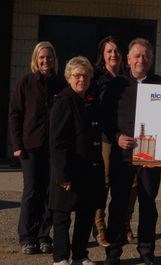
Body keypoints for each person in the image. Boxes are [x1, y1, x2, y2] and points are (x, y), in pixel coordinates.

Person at [102, 38, 161, 265]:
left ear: (151, 60)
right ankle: (113, 252)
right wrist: (116, 137)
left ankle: (147, 251)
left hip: (150, 155)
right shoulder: (116, 84)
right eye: (137, 55)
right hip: (122, 156)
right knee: (118, 204)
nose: (141, 59)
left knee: (148, 204)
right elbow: (106, 119)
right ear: (128, 59)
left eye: (146, 56)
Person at [8, 41, 66, 255]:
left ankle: (44, 235)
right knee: (32, 191)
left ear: (54, 60)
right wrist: (16, 145)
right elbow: (15, 114)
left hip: (53, 149)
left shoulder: (61, 84)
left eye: (49, 57)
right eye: (42, 57)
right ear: (35, 59)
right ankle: (27, 237)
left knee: (50, 191)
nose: (45, 61)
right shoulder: (25, 82)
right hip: (30, 147)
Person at [49, 56, 105, 265]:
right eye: (77, 75)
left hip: (89, 169)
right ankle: (61, 258)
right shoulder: (63, 101)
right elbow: (57, 142)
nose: (81, 79)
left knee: (86, 212)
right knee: (62, 215)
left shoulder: (91, 100)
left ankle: (80, 255)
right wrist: (62, 174)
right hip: (69, 170)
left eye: (85, 75)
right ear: (68, 77)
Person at [89, 35, 127, 248]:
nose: (114, 54)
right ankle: (99, 228)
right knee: (102, 183)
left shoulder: (127, 78)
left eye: (117, 51)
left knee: (128, 184)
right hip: (104, 137)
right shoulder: (96, 78)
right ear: (102, 56)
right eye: (109, 51)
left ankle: (124, 226)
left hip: (126, 137)